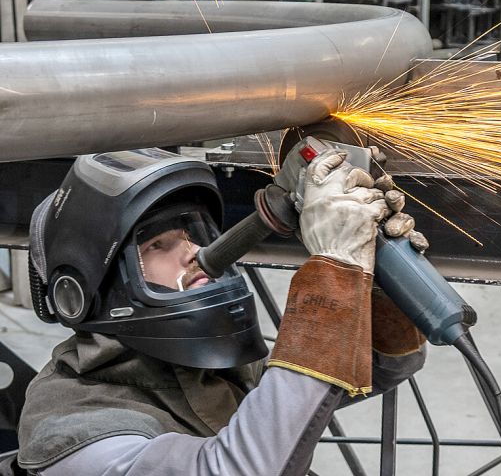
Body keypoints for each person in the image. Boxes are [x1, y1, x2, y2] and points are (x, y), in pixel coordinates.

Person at [11, 147, 427, 475]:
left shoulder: (191, 366)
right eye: (158, 244)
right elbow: (235, 469)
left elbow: (381, 365)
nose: (194, 252)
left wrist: (374, 282)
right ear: (85, 289)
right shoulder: (73, 430)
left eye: (191, 233)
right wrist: (333, 272)